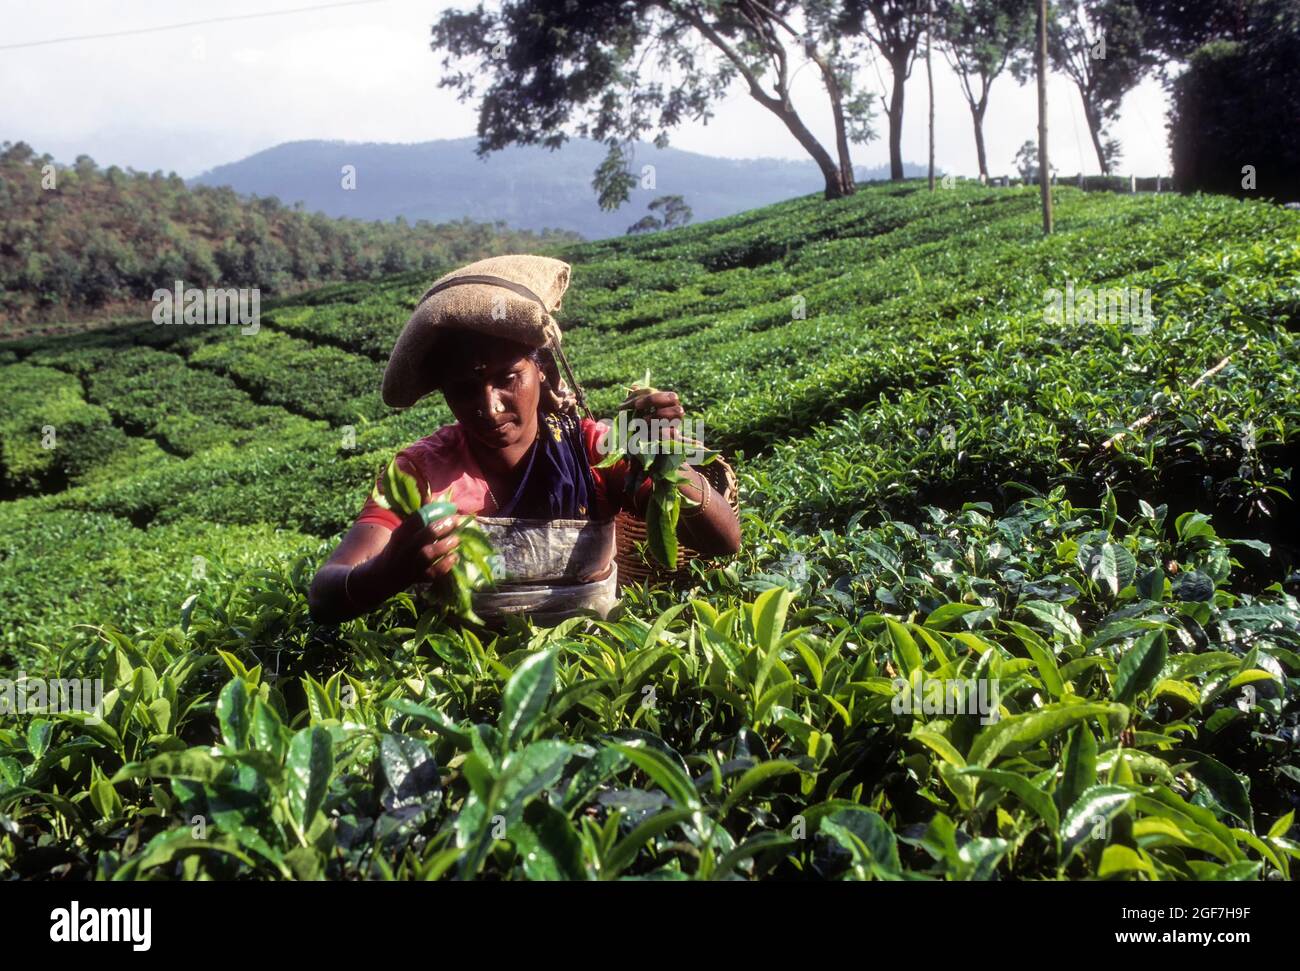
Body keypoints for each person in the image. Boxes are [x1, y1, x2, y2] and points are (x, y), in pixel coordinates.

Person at [307, 256, 740, 626]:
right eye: (463, 389)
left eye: (507, 379)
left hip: (592, 669)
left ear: (544, 373)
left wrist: (661, 461)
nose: (489, 407)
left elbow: (723, 542)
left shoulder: (593, 450)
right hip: (471, 691)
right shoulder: (422, 472)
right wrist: (386, 572)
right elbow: (324, 597)